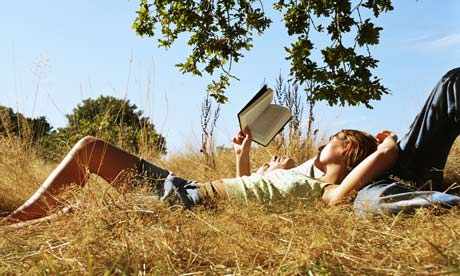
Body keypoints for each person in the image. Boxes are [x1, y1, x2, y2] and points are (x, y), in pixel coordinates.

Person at [1, 122, 387, 224]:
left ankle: (13, 224)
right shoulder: (299, 176)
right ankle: (17, 219)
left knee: (83, 211)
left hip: (187, 203)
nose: (325, 141)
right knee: (91, 148)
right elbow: (248, 184)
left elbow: (341, 196)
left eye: (334, 139)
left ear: (348, 149)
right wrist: (244, 153)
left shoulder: (323, 191)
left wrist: (385, 152)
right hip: (184, 187)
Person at [354, 67, 460, 216]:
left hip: (405, 158)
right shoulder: (313, 178)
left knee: (452, 81)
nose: (322, 148)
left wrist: (388, 147)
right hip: (382, 183)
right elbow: (334, 197)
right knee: (368, 205)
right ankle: (451, 203)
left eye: (336, 138)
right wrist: (387, 147)